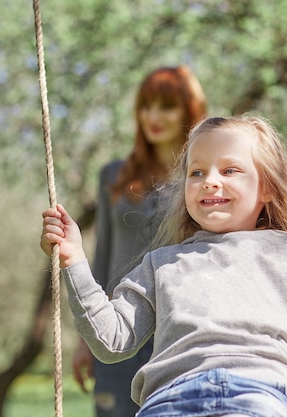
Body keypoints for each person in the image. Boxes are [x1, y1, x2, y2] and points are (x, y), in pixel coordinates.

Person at [41, 115, 287, 417]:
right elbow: (112, 342)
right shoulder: (161, 265)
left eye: (229, 170)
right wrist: (74, 260)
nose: (210, 181)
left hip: (258, 395)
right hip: (169, 401)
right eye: (197, 172)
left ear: (267, 188)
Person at [71, 66, 207, 417]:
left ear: (189, 111)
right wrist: (86, 339)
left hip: (177, 331)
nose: (153, 117)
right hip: (117, 326)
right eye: (146, 106)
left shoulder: (204, 180)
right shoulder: (113, 176)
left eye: (166, 106)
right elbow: (101, 257)